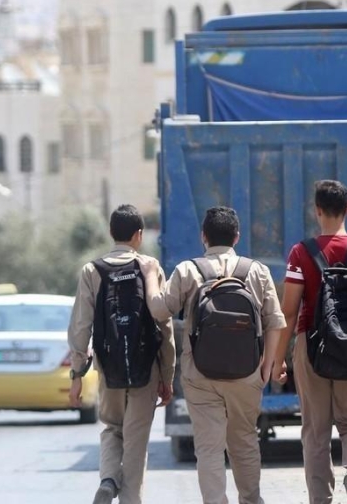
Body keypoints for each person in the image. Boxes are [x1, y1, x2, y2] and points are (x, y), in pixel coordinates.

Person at [139, 206, 286, 504]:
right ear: (237, 236)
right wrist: (267, 366)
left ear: (203, 236)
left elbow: (159, 310)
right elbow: (275, 322)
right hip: (247, 373)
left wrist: (150, 276)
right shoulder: (256, 271)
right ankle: (251, 499)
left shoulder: (188, 270)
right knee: (244, 441)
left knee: (209, 448)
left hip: (200, 374)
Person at [274, 180, 347, 504]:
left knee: (316, 431)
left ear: (317, 210)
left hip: (311, 346)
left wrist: (278, 358)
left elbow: (289, 309)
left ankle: (321, 500)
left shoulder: (301, 253)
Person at [68, 204, 175, 504]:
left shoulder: (92, 271)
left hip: (109, 367)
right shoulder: (149, 267)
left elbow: (81, 327)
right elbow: (164, 326)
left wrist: (76, 375)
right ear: (139, 235)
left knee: (112, 428)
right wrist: (167, 375)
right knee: (136, 443)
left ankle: (108, 479)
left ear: (110, 233)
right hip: (145, 368)